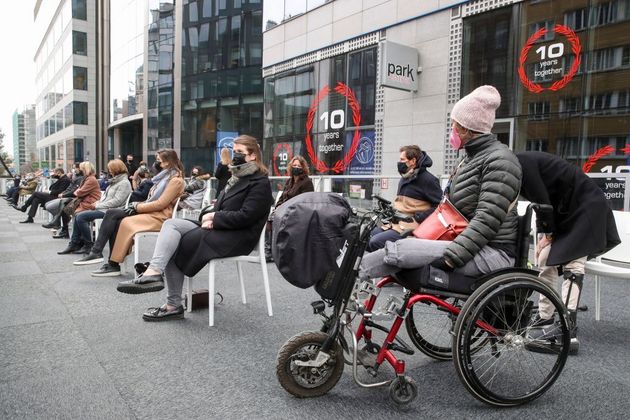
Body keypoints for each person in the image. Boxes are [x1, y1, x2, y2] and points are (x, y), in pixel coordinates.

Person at [359, 85, 522, 287]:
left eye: (454, 125)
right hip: (472, 244)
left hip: (493, 252)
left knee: (400, 251)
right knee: (404, 245)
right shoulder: (470, 160)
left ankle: (350, 274)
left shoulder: (500, 161)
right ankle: (350, 279)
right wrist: (420, 234)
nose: (451, 129)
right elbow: (447, 211)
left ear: (466, 128)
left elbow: (487, 220)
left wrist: (451, 257)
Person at [116, 135, 273, 322]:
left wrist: (215, 218)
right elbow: (220, 208)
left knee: (177, 243)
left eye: (239, 152)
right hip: (222, 228)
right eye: (234, 151)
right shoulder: (236, 177)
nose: (235, 155)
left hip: (238, 236)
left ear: (253, 155)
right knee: (171, 225)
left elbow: (247, 216)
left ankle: (172, 305)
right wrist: (211, 217)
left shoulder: (260, 183)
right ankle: (155, 272)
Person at [517, 151, 621, 354]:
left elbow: (542, 202)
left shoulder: (523, 163)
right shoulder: (517, 166)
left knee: (574, 262)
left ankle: (567, 329)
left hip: (587, 206)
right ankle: (545, 318)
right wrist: (545, 236)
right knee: (545, 258)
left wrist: (547, 233)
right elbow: (544, 202)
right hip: (568, 210)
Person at [73, 149, 185, 277]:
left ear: (167, 162)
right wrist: (137, 206)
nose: (155, 164)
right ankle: (103, 257)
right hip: (152, 212)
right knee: (113, 214)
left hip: (160, 216)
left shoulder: (175, 180)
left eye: (159, 161)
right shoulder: (164, 178)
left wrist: (137, 206)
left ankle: (108, 260)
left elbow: (161, 204)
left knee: (119, 220)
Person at [367, 145, 442, 251]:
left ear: (413, 161)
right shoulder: (405, 178)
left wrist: (418, 218)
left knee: (376, 241)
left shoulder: (429, 180)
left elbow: (439, 206)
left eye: (402, 159)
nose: (399, 162)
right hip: (396, 223)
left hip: (410, 227)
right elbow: (402, 204)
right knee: (367, 235)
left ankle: (393, 266)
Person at [58, 160, 132, 255]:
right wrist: (97, 203)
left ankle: (87, 245)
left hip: (111, 211)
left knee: (80, 216)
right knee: (78, 215)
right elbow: (106, 198)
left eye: (110, 169)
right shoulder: (115, 181)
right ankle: (74, 243)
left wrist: (97, 205)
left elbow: (117, 201)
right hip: (105, 208)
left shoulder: (124, 183)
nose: (109, 171)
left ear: (116, 169)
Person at [265, 156, 314, 260]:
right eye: (294, 165)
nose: (296, 167)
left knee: (274, 219)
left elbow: (305, 201)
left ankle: (272, 251)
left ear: (303, 167)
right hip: (284, 210)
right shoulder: (289, 181)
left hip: (296, 212)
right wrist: (278, 207)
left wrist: (285, 209)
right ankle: (270, 250)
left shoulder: (307, 182)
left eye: (299, 166)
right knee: (269, 219)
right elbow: (282, 197)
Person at [54, 162, 101, 240]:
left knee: (76, 213)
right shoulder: (85, 179)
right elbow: (77, 191)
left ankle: (81, 241)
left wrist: (77, 191)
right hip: (84, 202)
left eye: (81, 169)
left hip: (89, 203)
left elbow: (79, 192)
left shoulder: (90, 180)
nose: (79, 170)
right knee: (66, 206)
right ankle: (74, 240)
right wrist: (77, 191)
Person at [42, 164, 84, 232]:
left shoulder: (82, 178)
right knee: (50, 204)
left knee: (63, 206)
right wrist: (63, 194)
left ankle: (58, 224)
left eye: (75, 168)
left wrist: (63, 195)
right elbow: (70, 188)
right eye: (73, 168)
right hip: (70, 197)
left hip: (76, 199)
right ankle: (59, 226)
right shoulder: (76, 177)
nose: (74, 170)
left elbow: (75, 191)